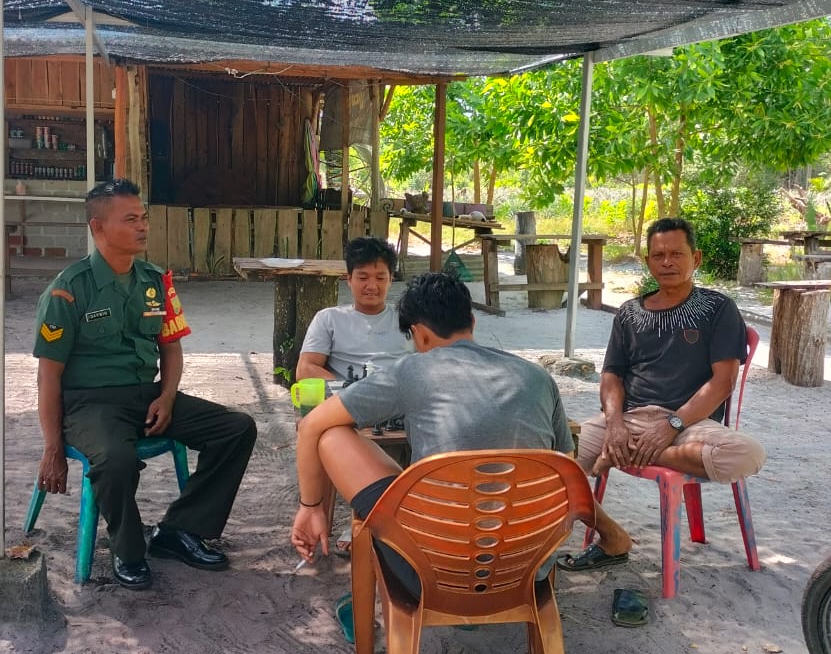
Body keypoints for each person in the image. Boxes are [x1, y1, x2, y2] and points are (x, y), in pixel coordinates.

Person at [289, 272, 631, 604]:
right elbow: (568, 475)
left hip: (432, 571)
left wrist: (311, 506)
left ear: (418, 334)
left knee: (331, 433)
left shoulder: (410, 371)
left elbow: (311, 425)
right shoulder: (537, 377)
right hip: (526, 566)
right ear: (472, 321)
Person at [33, 179, 257, 590]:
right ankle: (128, 549)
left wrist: (168, 397)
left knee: (236, 427)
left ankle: (180, 530)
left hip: (147, 395)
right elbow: (49, 377)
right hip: (89, 405)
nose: (143, 227)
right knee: (115, 461)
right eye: (130, 219)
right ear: (98, 227)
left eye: (144, 218)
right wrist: (52, 448)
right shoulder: (68, 291)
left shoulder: (156, 281)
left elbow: (171, 348)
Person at [563, 217, 765, 570]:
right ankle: (610, 538)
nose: (667, 262)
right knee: (554, 463)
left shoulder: (718, 309)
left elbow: (722, 383)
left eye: (676, 254)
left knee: (747, 454)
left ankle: (644, 454)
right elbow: (612, 375)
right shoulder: (629, 313)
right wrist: (614, 425)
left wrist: (671, 426)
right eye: (658, 255)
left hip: (690, 422)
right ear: (647, 261)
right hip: (628, 422)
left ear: (696, 258)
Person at [296, 236, 408, 382]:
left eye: (380, 278)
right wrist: (349, 393)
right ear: (349, 279)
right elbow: (305, 369)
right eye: (363, 278)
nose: (372, 286)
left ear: (391, 279)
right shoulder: (329, 319)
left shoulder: (409, 318)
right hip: (346, 400)